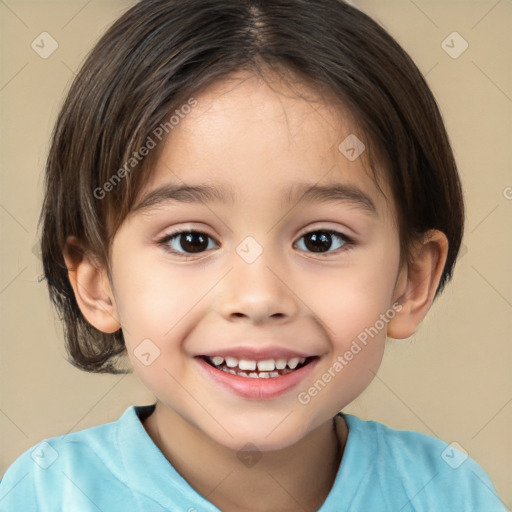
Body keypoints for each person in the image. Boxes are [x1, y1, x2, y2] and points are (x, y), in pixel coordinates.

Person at [0, 0, 506, 511]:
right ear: (97, 282)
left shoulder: (448, 493)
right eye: (191, 240)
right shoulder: (46, 495)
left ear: (410, 281)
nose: (259, 297)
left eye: (320, 240)